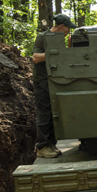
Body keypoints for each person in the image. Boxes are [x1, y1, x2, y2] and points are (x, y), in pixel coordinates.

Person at [31, 14, 78, 158]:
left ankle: (50, 143)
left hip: (55, 80)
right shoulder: (42, 37)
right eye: (68, 29)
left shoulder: (58, 39)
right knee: (44, 114)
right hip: (42, 81)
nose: (68, 32)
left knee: (53, 113)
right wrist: (55, 54)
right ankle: (42, 146)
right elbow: (35, 58)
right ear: (62, 27)